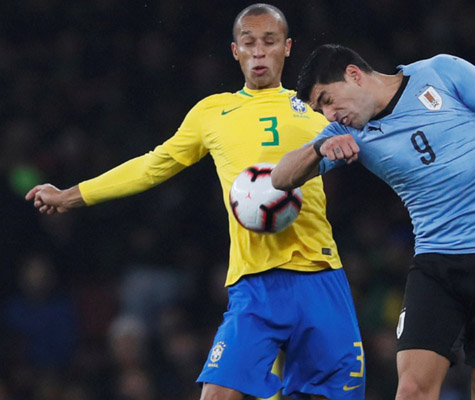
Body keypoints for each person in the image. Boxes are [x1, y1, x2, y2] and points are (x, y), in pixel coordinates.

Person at [25, 6, 365, 400]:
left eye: (269, 42)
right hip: (253, 284)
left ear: (287, 48)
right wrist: (71, 195)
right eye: (249, 43)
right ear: (234, 50)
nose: (259, 52)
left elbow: (379, 144)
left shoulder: (317, 109)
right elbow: (153, 165)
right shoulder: (212, 113)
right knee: (216, 395)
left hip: (319, 276)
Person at [271, 44, 475, 400]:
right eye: (320, 109)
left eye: (327, 100)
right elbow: (280, 178)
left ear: (354, 74)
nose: (328, 115)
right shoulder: (348, 135)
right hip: (437, 264)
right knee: (412, 390)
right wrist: (317, 150)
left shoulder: (441, 72)